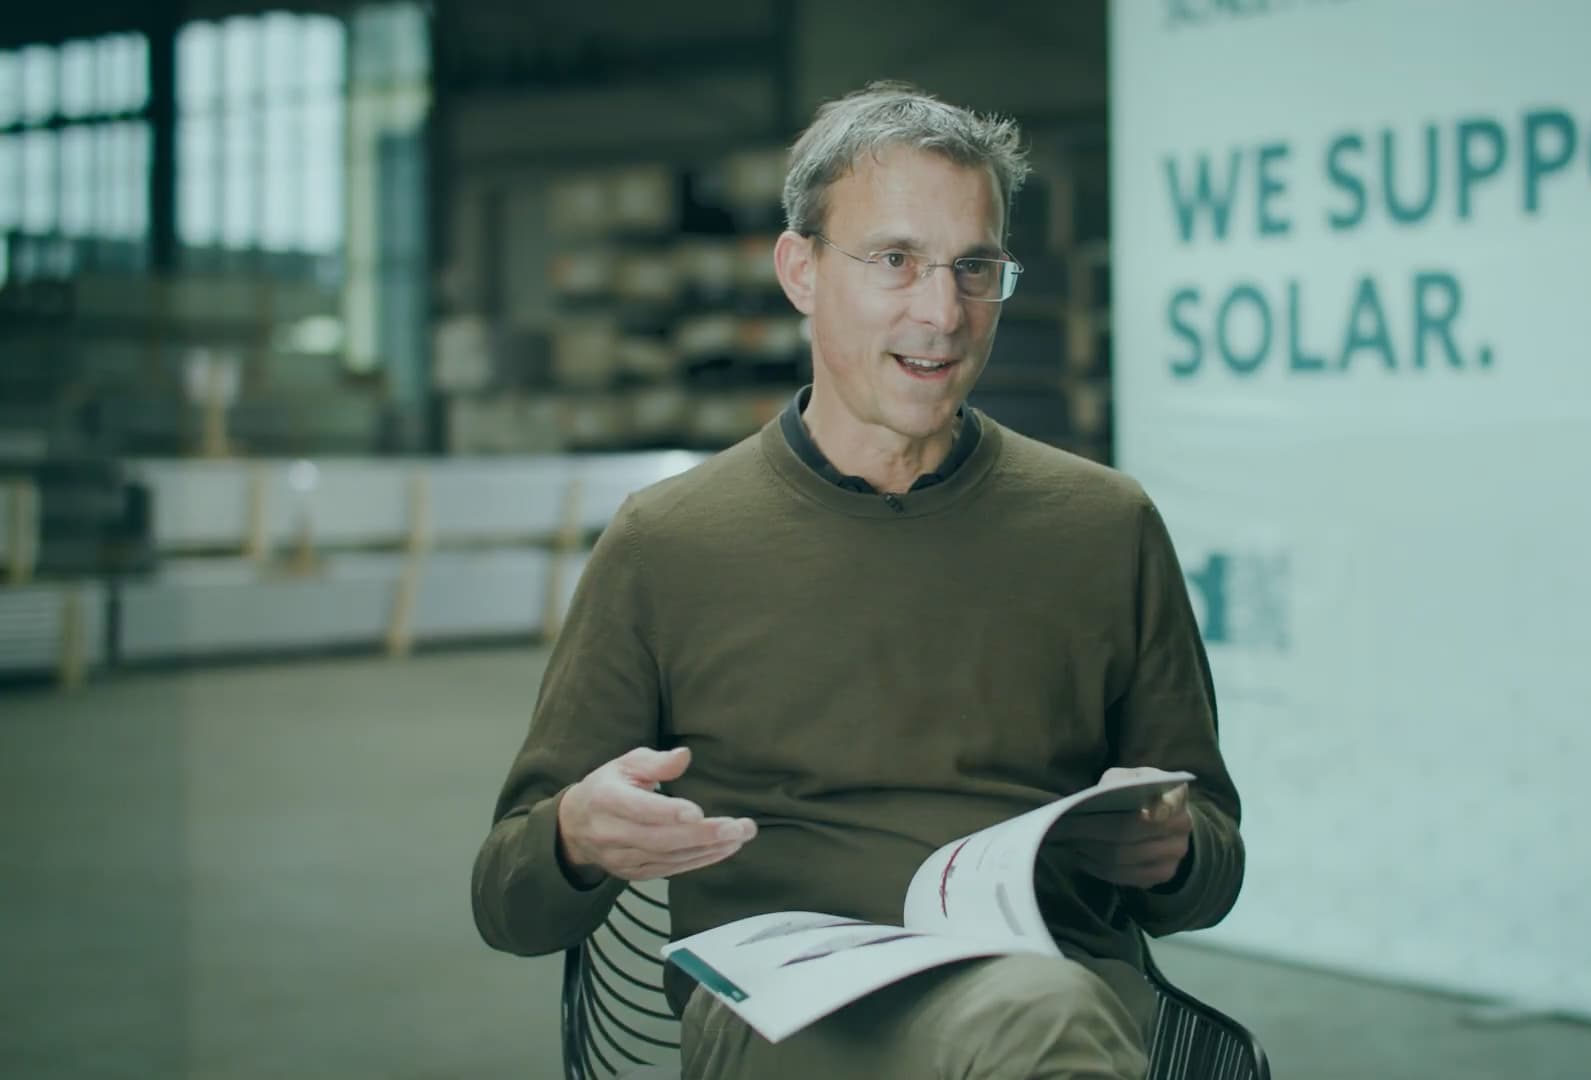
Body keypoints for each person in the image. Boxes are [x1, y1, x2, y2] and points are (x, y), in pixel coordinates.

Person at [470, 81, 1245, 1080]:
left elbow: (1209, 863)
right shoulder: (669, 543)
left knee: (1041, 1014)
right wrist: (577, 834)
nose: (943, 312)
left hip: (1046, 989)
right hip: (787, 1015)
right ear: (800, 271)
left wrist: (1173, 854)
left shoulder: (1104, 528)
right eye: (894, 261)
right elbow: (508, 898)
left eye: (975, 268)